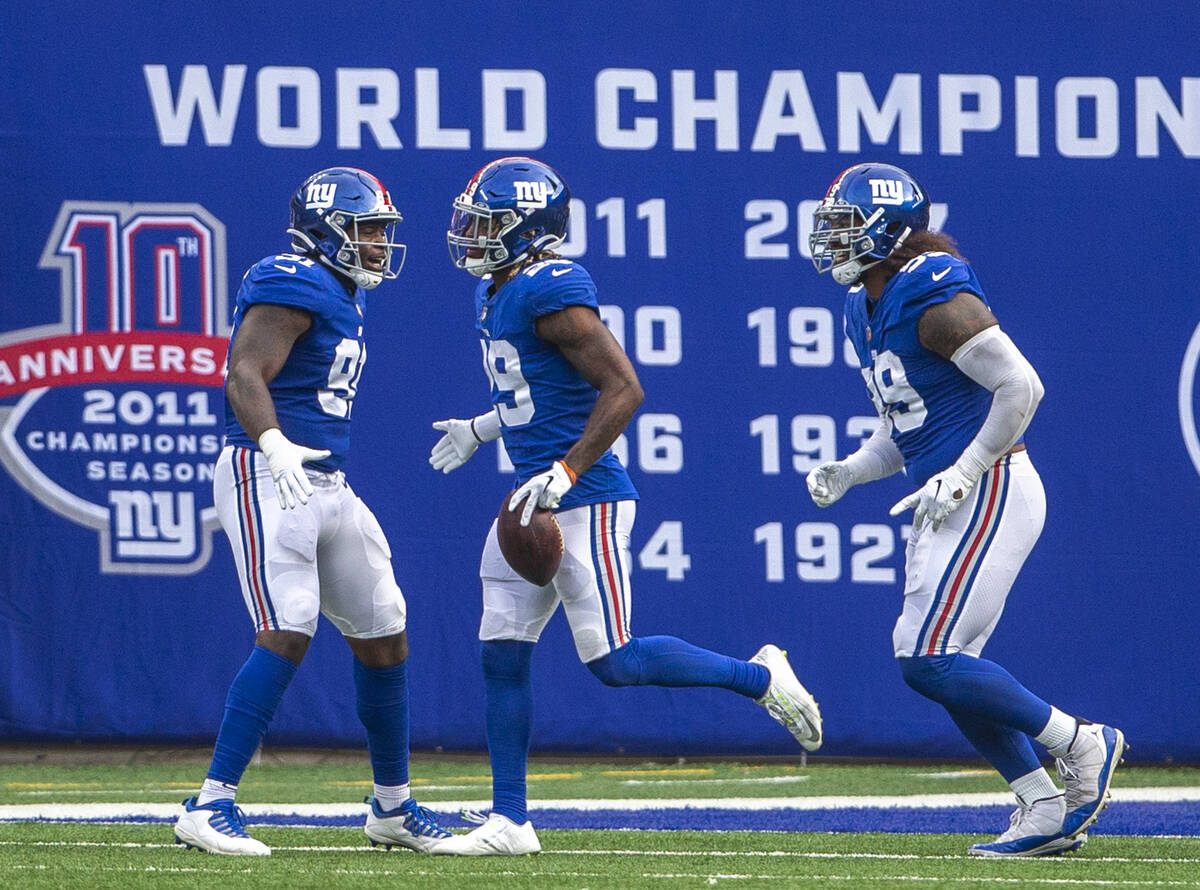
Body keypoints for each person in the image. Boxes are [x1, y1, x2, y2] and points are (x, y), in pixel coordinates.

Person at [427, 156, 823, 856]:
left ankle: (761, 678)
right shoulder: (499, 287)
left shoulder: (553, 287)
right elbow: (533, 392)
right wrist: (480, 429)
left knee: (614, 661)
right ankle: (510, 821)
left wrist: (565, 470)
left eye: (487, 222)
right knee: (501, 652)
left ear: (528, 229)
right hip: (533, 498)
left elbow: (624, 389)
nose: (470, 234)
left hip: (588, 499)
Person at [804, 162, 1125, 857]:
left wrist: (966, 470)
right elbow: (905, 426)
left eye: (844, 225)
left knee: (927, 658)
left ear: (889, 231)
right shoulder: (864, 303)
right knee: (943, 664)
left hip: (994, 486)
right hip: (951, 493)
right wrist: (854, 470)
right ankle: (1041, 804)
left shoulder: (930, 288)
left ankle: (1082, 744)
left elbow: (1022, 386)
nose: (831, 240)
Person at [173, 167, 450, 856]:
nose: (380, 246)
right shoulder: (289, 277)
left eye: (384, 233)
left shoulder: (343, 291)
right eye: (368, 231)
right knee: (288, 624)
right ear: (327, 228)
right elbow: (243, 373)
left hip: (326, 481)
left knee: (385, 628)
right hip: (269, 473)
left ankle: (391, 808)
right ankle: (210, 806)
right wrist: (272, 444)